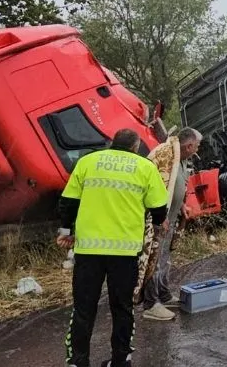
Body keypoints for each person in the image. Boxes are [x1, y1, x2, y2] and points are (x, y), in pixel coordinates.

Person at [56, 129, 169, 367]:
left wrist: (66, 231)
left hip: (89, 252)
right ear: (135, 147)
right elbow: (159, 207)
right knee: (122, 308)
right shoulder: (145, 167)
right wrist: (159, 223)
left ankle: (78, 361)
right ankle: (120, 360)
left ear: (112, 143)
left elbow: (68, 202)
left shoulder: (87, 162)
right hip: (125, 253)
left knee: (83, 309)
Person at [141, 127, 202, 321]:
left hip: (170, 218)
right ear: (189, 145)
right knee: (154, 260)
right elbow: (149, 185)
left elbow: (174, 185)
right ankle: (151, 304)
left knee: (164, 259)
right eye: (197, 146)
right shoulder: (164, 154)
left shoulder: (181, 158)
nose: (198, 149)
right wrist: (159, 215)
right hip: (158, 218)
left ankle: (164, 294)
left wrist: (181, 204)